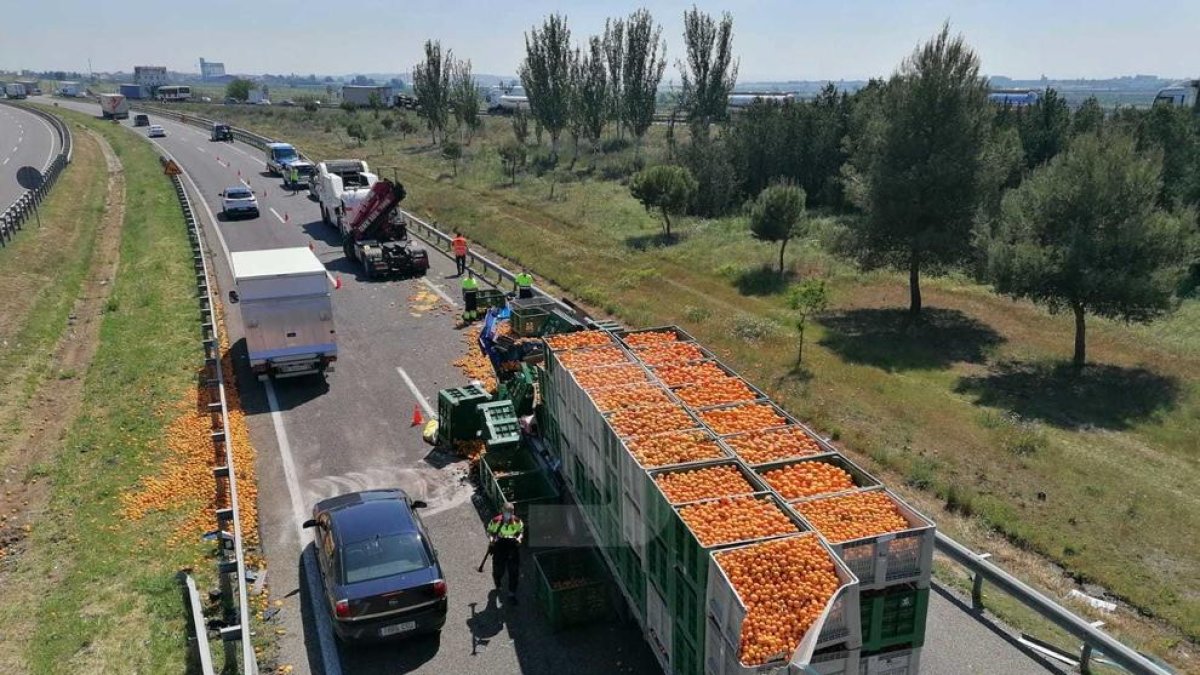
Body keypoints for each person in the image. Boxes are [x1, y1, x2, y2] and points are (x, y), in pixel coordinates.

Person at [486, 502, 524, 601]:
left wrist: (519, 539)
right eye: (507, 512)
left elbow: (520, 532)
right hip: (499, 548)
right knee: (498, 570)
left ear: (513, 512)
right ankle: (497, 581)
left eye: (511, 512)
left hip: (512, 548)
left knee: (514, 572)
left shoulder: (517, 521)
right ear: (502, 511)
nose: (509, 514)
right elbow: (489, 532)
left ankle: (512, 593)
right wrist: (491, 540)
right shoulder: (495, 521)